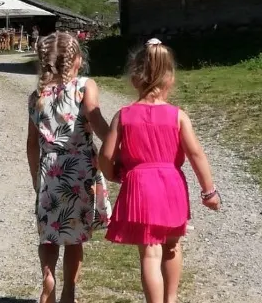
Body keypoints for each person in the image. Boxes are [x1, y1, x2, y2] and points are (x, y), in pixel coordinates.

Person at [99, 38, 220, 303]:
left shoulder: (124, 115)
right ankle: (171, 299)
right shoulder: (178, 115)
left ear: (135, 77)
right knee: (173, 246)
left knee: (150, 254)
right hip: (171, 185)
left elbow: (106, 156)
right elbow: (196, 154)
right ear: (170, 78)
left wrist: (114, 174)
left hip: (140, 186)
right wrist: (209, 191)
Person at [27, 32, 111, 303]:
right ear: (75, 61)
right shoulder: (84, 86)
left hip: (49, 171)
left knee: (49, 235)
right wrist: (114, 144)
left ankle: (48, 276)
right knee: (74, 237)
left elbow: (31, 145)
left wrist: (35, 179)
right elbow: (95, 118)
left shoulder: (36, 96)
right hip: (79, 171)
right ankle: (69, 293)